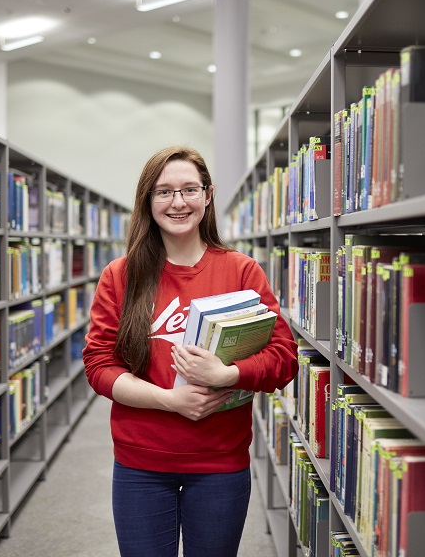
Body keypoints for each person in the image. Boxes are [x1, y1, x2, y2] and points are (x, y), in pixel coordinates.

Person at [83, 145, 299, 557]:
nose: (178, 202)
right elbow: (99, 365)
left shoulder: (240, 271)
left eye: (189, 190)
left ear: (208, 195)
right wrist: (169, 401)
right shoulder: (121, 274)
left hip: (219, 462)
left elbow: (284, 356)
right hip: (140, 462)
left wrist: (228, 375)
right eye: (163, 191)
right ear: (147, 201)